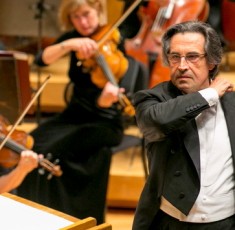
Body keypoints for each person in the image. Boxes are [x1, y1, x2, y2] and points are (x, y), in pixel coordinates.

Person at [17, 0, 145, 224]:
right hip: (73, 115)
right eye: (76, 18)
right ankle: (36, 217)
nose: (83, 22)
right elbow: (41, 59)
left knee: (49, 152)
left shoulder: (118, 37)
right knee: (31, 143)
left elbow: (133, 78)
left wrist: (104, 101)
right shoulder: (73, 38)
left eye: (86, 14)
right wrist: (70, 44)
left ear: (98, 9)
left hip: (105, 121)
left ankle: (68, 218)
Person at [132, 20, 235, 230]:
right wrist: (209, 95)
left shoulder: (232, 104)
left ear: (212, 61)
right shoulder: (152, 99)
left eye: (192, 57)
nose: (182, 66)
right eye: (174, 57)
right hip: (172, 224)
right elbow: (156, 122)